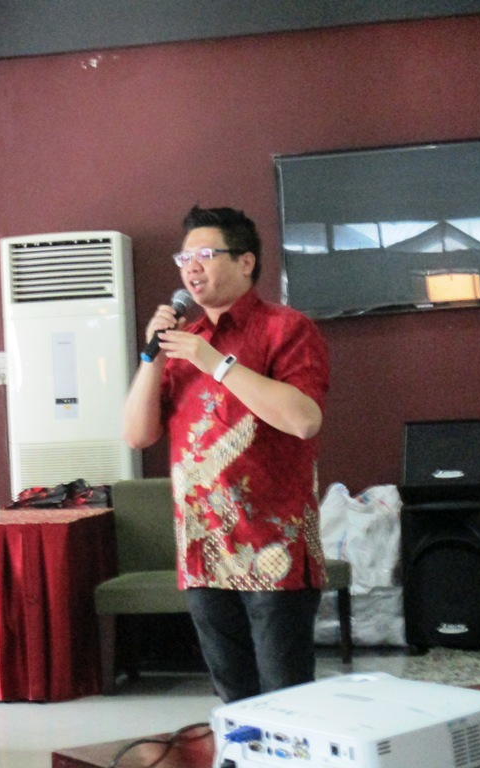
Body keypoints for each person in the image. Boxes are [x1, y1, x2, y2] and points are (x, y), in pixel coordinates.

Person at [123, 205, 330, 703]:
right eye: (184, 258)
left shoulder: (287, 328)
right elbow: (136, 434)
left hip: (274, 547)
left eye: (206, 254)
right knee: (234, 699)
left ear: (245, 262)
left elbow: (304, 420)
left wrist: (217, 364)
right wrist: (152, 357)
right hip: (204, 548)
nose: (191, 267)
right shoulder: (183, 344)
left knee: (287, 701)